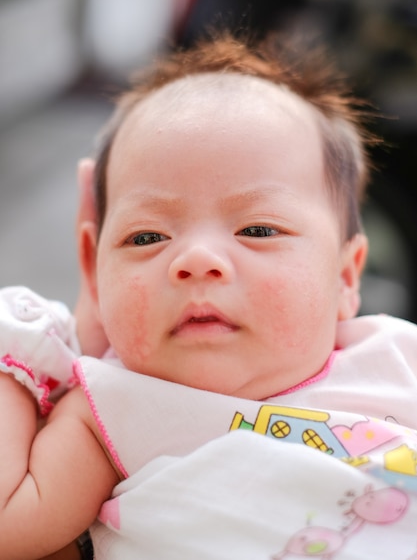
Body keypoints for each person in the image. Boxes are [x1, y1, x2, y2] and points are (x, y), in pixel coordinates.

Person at [2, 31, 417, 560]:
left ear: (344, 276)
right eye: (146, 238)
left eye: (259, 230)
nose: (197, 259)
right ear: (94, 266)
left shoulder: (393, 357)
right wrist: (25, 351)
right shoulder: (110, 408)